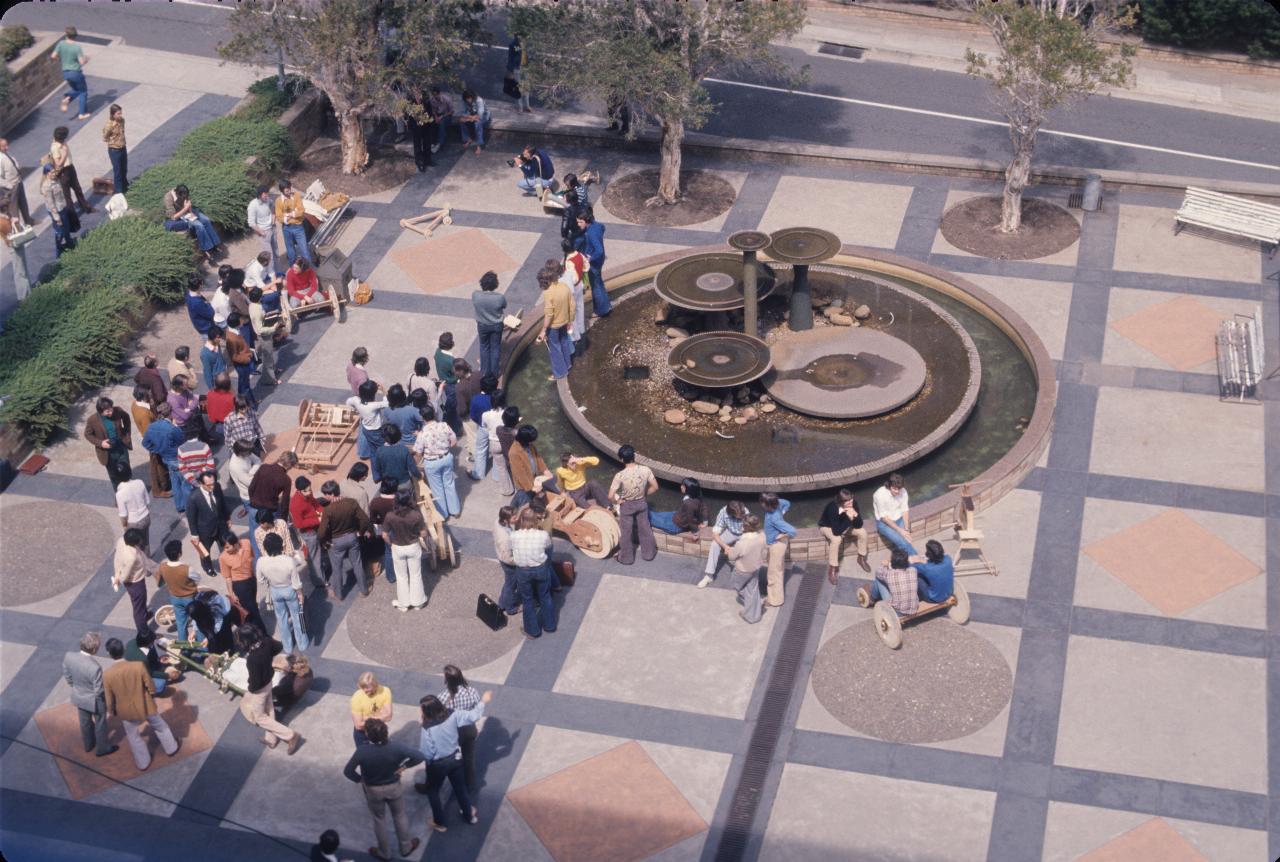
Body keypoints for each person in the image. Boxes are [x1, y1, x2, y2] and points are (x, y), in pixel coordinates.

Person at [342, 718, 422, 862]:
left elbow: (348, 771)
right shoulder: (396, 747)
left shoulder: (362, 751)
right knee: (400, 816)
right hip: (393, 787)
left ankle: (384, 853)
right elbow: (419, 756)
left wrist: (360, 780)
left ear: (368, 734)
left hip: (373, 790)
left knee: (379, 820)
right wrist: (403, 767)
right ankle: (406, 847)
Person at [415, 691, 491, 831]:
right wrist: (483, 701)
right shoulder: (453, 714)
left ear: (427, 711)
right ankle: (469, 816)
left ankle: (439, 822)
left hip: (438, 764)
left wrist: (429, 763)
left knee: (433, 791)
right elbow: (473, 716)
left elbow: (427, 752)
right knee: (460, 788)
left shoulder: (427, 728)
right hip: (455, 759)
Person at [102, 637, 179, 771]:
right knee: (160, 725)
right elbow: (150, 686)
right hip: (145, 704)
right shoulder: (138, 666)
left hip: (126, 710)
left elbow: (109, 698)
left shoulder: (107, 675)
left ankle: (143, 762)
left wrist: (111, 710)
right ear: (124, 650)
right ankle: (171, 748)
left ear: (109, 654)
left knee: (133, 736)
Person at [237, 623, 303, 754]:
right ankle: (271, 739)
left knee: (260, 718)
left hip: (259, 690)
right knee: (269, 709)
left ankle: (290, 735)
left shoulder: (252, 659)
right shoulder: (266, 642)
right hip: (269, 682)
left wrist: (250, 688)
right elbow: (278, 647)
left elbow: (255, 683)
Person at [63, 632, 118, 757]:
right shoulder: (95, 667)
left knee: (84, 722)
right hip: (94, 700)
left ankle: (88, 745)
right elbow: (99, 690)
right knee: (100, 723)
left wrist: (76, 687)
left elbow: (67, 676)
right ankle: (102, 748)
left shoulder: (69, 656)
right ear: (94, 649)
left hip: (79, 696)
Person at [318, 480, 373, 598]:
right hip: (352, 537)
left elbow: (321, 532)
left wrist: (324, 542)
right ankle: (364, 590)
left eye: (325, 494)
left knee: (337, 568)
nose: (324, 496)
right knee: (357, 564)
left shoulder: (328, 509)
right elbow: (365, 520)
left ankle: (339, 593)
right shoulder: (351, 503)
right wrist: (360, 532)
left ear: (331, 494)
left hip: (336, 541)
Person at [509, 508, 558, 638]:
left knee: (527, 599)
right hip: (541, 569)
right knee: (545, 596)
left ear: (521, 520)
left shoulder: (514, 535)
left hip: (523, 570)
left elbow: (511, 549)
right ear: (535, 519)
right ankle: (550, 625)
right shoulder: (543, 535)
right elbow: (548, 547)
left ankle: (533, 631)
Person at [609, 444, 658, 565]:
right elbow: (655, 487)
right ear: (634, 456)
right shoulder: (646, 470)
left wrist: (618, 501)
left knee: (626, 532)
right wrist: (644, 495)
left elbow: (610, 496)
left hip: (627, 505)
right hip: (641, 503)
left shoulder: (620, 475)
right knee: (645, 529)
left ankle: (626, 559)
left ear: (621, 459)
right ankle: (649, 554)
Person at [438, 666, 483, 792]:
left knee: (446, 759)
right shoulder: (471, 691)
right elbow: (476, 709)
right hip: (468, 729)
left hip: (452, 732)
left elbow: (440, 717)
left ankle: (437, 784)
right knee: (469, 758)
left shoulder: (442, 697)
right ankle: (470, 784)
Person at [382, 490, 428, 611]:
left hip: (397, 547)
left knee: (401, 576)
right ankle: (418, 602)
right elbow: (423, 533)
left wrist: (391, 544)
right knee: (416, 575)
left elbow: (384, 535)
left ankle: (403, 604)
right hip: (413, 546)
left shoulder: (390, 516)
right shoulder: (416, 515)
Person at [413, 405, 461, 519]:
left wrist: (417, 436)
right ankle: (455, 510)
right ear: (434, 414)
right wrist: (444, 448)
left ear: (423, 418)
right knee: (449, 484)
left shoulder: (423, 433)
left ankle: (443, 514)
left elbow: (418, 452)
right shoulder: (444, 425)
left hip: (432, 462)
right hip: (446, 457)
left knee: (437, 489)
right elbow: (454, 441)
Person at [142, 403, 189, 512]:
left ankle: (179, 506)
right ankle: (187, 506)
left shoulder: (152, 427)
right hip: (177, 458)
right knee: (185, 483)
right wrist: (177, 427)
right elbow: (182, 442)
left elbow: (145, 443)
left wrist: (157, 450)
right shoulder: (173, 429)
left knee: (175, 482)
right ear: (170, 413)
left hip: (166, 458)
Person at [819, 488, 871, 585]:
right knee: (836, 539)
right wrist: (849, 518)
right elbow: (836, 531)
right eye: (848, 502)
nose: (851, 503)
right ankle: (833, 568)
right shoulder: (832, 507)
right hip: (828, 527)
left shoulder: (853, 503)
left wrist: (855, 516)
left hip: (844, 526)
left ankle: (861, 558)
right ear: (841, 502)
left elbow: (859, 525)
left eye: (851, 500)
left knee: (862, 532)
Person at [187, 470, 231, 578]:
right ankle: (208, 567)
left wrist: (227, 518)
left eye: (213, 483)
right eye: (209, 485)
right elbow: (191, 517)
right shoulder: (194, 497)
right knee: (205, 551)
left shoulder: (217, 487)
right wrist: (194, 534)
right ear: (201, 484)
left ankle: (227, 563)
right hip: (205, 530)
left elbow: (223, 503)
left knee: (226, 545)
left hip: (220, 525)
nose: (212, 487)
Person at [113, 527, 156, 637]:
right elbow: (125, 577)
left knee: (141, 602)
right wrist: (119, 578)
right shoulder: (131, 557)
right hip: (135, 583)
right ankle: (143, 631)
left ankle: (144, 615)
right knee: (138, 608)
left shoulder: (122, 540)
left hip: (136, 580)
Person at [130, 386, 172, 498]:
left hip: (152, 439)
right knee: (156, 465)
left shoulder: (135, 404)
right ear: (144, 396)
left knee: (158, 464)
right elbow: (150, 432)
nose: (151, 394)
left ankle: (164, 484)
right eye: (149, 393)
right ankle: (158, 490)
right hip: (154, 442)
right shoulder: (144, 414)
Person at [725, 515, 768, 624]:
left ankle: (751, 609)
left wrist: (729, 550)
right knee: (752, 590)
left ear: (745, 527)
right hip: (756, 567)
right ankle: (754, 614)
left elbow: (731, 557)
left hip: (742, 570)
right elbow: (764, 552)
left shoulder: (742, 543)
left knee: (736, 586)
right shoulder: (762, 536)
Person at [221, 532, 266, 632]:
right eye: (224, 548)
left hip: (251, 580)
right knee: (253, 610)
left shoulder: (246, 543)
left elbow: (253, 558)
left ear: (236, 544)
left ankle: (253, 629)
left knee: (252, 605)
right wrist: (231, 593)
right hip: (240, 585)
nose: (225, 550)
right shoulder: (223, 558)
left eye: (227, 547)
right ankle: (263, 634)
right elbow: (228, 577)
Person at [84, 396, 132, 489]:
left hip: (120, 447)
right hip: (107, 453)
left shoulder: (118, 411)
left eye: (111, 409)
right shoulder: (92, 420)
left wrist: (126, 434)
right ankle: (119, 496)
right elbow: (87, 434)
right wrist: (101, 443)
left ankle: (130, 492)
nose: (111, 412)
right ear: (100, 412)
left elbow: (126, 418)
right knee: (114, 476)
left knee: (126, 471)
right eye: (107, 411)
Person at [538, 265, 574, 381]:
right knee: (564, 342)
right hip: (564, 321)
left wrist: (543, 330)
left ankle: (559, 372)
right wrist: (570, 320)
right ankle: (568, 364)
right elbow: (572, 305)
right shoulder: (564, 286)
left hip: (553, 326)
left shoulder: (548, 293)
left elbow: (549, 314)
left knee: (555, 348)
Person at [164, 184, 221, 257]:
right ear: (177, 194)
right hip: (179, 215)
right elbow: (173, 217)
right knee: (199, 225)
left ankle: (215, 243)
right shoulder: (168, 198)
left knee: (206, 220)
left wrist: (191, 212)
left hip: (188, 211)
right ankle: (207, 248)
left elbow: (188, 202)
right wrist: (185, 209)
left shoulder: (183, 191)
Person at [701, 501, 748, 588]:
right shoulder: (723, 513)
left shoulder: (744, 511)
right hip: (731, 532)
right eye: (740, 515)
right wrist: (725, 546)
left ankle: (746, 576)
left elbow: (750, 529)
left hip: (744, 533)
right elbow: (715, 534)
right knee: (715, 544)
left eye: (742, 514)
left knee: (749, 547)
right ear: (732, 514)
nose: (742, 515)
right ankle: (709, 575)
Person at [760, 493, 796, 608]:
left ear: (769, 504)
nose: (761, 505)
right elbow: (787, 503)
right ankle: (775, 596)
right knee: (777, 570)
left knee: (773, 574)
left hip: (776, 545)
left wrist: (781, 535)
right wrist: (784, 512)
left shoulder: (774, 518)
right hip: (777, 545)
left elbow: (793, 531)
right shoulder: (779, 503)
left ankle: (774, 600)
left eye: (763, 504)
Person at [291, 476, 326, 589]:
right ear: (300, 491)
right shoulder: (295, 504)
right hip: (309, 532)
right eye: (307, 491)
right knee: (315, 556)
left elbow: (315, 504)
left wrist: (321, 511)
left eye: (310, 489)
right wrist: (317, 520)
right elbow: (299, 524)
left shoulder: (307, 494)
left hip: (315, 527)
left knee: (315, 554)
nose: (310, 492)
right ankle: (319, 580)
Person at [507, 424, 557, 505]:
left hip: (534, 478)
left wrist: (545, 470)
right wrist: (531, 488)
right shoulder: (514, 453)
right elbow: (520, 474)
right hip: (524, 485)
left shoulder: (530, 445)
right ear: (525, 440)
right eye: (531, 440)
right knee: (529, 501)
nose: (532, 442)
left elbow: (537, 457)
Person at [863, 547, 919, 616]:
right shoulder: (913, 570)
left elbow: (878, 571)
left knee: (879, 579)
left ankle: (872, 597)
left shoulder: (889, 574)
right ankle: (873, 596)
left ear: (893, 562)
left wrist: (884, 564)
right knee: (895, 584)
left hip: (897, 611)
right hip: (914, 608)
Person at [575, 207, 610, 317]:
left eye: (580, 222)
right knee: (599, 282)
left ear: (587, 221)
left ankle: (601, 310)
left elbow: (598, 249)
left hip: (594, 263)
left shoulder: (591, 233)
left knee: (596, 286)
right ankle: (605, 306)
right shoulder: (596, 225)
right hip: (600, 260)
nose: (578, 224)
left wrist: (590, 258)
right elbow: (603, 228)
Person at [472, 271, 507, 380]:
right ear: (495, 284)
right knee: (495, 347)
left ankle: (484, 372)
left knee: (484, 347)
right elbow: (504, 306)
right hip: (496, 325)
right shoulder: (499, 297)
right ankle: (495, 373)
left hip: (482, 325)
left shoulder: (476, 295)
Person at [50, 125, 92, 213]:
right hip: (63, 172)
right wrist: (64, 155)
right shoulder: (55, 148)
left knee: (78, 189)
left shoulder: (62, 143)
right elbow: (58, 164)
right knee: (67, 194)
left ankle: (85, 207)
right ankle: (72, 214)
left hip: (70, 168)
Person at [53, 28, 92, 119]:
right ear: (75, 36)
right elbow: (82, 62)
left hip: (66, 73)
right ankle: (81, 114)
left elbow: (53, 56)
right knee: (83, 92)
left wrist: (62, 60)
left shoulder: (61, 44)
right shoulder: (76, 47)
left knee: (76, 90)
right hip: (76, 73)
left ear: (66, 35)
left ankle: (67, 99)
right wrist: (86, 59)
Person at [41, 162, 78, 256]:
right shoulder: (47, 186)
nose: (54, 174)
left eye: (54, 172)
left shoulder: (56, 180)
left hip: (62, 207)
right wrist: (57, 218)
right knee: (60, 231)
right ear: (47, 173)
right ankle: (59, 250)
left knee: (66, 228)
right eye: (52, 172)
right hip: (56, 211)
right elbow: (50, 204)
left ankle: (70, 244)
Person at [125, 630, 178, 694]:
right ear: (147, 643)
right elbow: (150, 673)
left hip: (136, 667)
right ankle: (144, 689)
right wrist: (168, 676)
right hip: (135, 676)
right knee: (161, 683)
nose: (153, 642)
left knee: (152, 649)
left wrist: (158, 660)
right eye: (152, 642)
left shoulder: (132, 642)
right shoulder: (142, 659)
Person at [115, 460, 153, 549]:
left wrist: (125, 527)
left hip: (133, 523)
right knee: (146, 543)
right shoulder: (140, 482)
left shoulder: (120, 494)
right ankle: (148, 560)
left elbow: (123, 515)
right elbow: (147, 501)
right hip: (145, 517)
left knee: (135, 548)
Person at [347, 379, 388, 461]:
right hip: (376, 430)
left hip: (365, 427)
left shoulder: (356, 400)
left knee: (368, 442)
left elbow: (348, 401)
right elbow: (388, 402)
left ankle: (366, 454)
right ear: (373, 394)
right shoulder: (374, 405)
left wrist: (353, 409)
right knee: (381, 445)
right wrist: (383, 390)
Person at [248, 287, 281, 386]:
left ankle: (273, 370)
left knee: (269, 355)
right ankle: (270, 379)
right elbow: (260, 329)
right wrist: (274, 328)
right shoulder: (257, 310)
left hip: (265, 332)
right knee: (268, 357)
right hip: (264, 336)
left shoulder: (253, 305)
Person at [873, 473, 913, 553]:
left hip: (899, 518)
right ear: (889, 486)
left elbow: (905, 510)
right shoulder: (879, 495)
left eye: (899, 489)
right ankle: (918, 561)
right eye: (895, 489)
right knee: (904, 543)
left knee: (905, 540)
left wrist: (906, 529)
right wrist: (900, 531)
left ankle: (900, 556)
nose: (897, 491)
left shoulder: (903, 491)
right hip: (884, 523)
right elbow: (884, 518)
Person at [275, 179, 311, 265]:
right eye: (287, 190)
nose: (289, 191)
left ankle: (309, 271)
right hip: (286, 228)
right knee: (291, 253)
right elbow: (279, 217)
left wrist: (289, 215)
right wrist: (293, 214)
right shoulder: (278, 201)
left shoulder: (296, 196)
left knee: (304, 250)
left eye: (290, 188)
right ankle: (293, 271)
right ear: (282, 190)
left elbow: (301, 211)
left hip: (298, 227)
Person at [372, 424, 421, 489]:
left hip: (388, 485)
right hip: (404, 483)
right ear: (398, 435)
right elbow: (413, 469)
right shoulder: (404, 450)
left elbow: (377, 468)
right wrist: (420, 475)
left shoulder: (379, 451)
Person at [350, 671, 392, 746]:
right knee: (365, 756)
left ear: (375, 685)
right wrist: (381, 716)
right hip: (363, 735)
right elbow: (358, 725)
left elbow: (389, 716)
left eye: (367, 687)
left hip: (379, 732)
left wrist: (366, 718)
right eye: (362, 687)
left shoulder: (385, 691)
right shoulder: (356, 697)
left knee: (381, 756)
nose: (364, 690)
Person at [0, 138, 35, 228]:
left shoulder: (7, 154)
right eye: (4, 146)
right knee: (13, 208)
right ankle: (17, 227)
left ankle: (28, 220)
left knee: (23, 202)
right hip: (11, 186)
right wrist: (9, 186)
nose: (7, 147)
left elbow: (13, 163)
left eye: (7, 145)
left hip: (18, 181)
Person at [493, 505, 520, 615]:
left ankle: (503, 603)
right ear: (505, 520)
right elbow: (508, 558)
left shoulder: (498, 522)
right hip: (509, 563)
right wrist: (520, 562)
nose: (516, 519)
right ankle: (510, 608)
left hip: (504, 556)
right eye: (514, 518)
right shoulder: (504, 538)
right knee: (511, 585)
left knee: (509, 583)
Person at [225, 313, 257, 407]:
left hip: (244, 360)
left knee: (243, 384)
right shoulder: (232, 338)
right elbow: (234, 356)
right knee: (245, 386)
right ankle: (250, 406)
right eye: (240, 320)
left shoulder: (236, 331)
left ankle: (249, 401)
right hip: (242, 364)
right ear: (236, 323)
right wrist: (247, 359)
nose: (242, 321)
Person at [561, 237, 588, 345]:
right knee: (580, 307)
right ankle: (582, 329)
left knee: (572, 312)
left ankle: (574, 335)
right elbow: (586, 266)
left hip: (573, 288)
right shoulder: (579, 254)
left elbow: (573, 278)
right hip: (580, 284)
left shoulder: (568, 262)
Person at [911, 539, 955, 604]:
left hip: (933, 599)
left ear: (928, 554)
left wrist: (914, 560)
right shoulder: (948, 559)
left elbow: (911, 566)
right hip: (949, 594)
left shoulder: (927, 568)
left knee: (917, 577)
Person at [404, 87, 435, 173]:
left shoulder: (425, 100)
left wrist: (430, 122)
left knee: (427, 143)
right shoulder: (409, 101)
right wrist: (408, 123)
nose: (417, 93)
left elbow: (430, 111)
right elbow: (406, 114)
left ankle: (428, 160)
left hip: (426, 125)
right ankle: (419, 162)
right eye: (415, 91)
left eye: (419, 90)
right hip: (416, 126)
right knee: (417, 145)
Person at [272, 653, 313, 718]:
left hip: (288, 700)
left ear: (292, 667)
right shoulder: (307, 669)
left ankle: (276, 717)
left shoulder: (289, 682)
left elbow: (274, 691)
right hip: (298, 692)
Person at [246, 185, 278, 266]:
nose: (267, 196)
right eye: (265, 195)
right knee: (268, 255)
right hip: (264, 232)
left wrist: (273, 219)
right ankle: (271, 273)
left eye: (267, 194)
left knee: (276, 252)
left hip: (272, 229)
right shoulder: (253, 205)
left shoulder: (268, 200)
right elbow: (251, 223)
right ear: (259, 195)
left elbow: (273, 206)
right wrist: (260, 231)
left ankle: (278, 271)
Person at [102, 104, 128, 195]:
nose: (120, 115)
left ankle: (125, 186)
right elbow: (105, 138)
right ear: (113, 114)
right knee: (117, 172)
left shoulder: (122, 121)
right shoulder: (109, 125)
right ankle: (119, 191)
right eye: (118, 114)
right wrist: (113, 140)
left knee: (124, 169)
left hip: (123, 148)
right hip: (114, 150)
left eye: (120, 113)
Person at [457, 89, 489, 154]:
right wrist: (470, 118)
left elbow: (480, 114)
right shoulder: (464, 101)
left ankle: (479, 146)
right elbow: (462, 112)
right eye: (467, 99)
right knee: (461, 121)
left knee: (478, 124)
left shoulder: (479, 100)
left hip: (484, 115)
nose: (468, 100)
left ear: (473, 97)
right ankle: (468, 139)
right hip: (471, 116)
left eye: (469, 98)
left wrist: (469, 118)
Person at [506, 35, 532, 113]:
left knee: (526, 87)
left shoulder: (527, 43)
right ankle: (519, 107)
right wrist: (510, 70)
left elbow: (530, 54)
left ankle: (526, 106)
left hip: (526, 68)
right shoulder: (513, 44)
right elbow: (511, 58)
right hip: (517, 68)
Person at [427, 86, 454, 152]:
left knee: (442, 123)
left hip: (447, 115)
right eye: (433, 95)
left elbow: (452, 111)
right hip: (437, 115)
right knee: (431, 122)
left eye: (436, 94)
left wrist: (442, 116)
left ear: (440, 93)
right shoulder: (432, 100)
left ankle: (440, 143)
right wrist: (436, 117)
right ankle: (432, 142)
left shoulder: (447, 99)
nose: (435, 96)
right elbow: (433, 110)